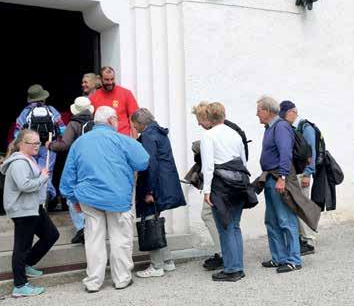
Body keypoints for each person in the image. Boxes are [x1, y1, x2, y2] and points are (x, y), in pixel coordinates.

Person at [60, 106, 149, 292]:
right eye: (116, 119)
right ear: (111, 121)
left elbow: (67, 176)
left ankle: (94, 281)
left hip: (89, 198)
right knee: (120, 239)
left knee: (93, 239)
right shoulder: (122, 140)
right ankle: (122, 279)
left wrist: (72, 198)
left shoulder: (80, 143)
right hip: (118, 197)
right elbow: (142, 161)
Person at [1, 129, 60, 297]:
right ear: (21, 144)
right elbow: (24, 185)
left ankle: (27, 264)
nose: (37, 146)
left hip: (33, 207)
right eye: (33, 143)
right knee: (21, 248)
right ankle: (20, 285)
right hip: (23, 210)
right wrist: (42, 178)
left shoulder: (28, 159)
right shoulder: (19, 162)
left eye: (38, 143)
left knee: (51, 235)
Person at [200, 102, 254, 281]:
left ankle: (232, 269)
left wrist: (206, 191)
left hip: (220, 186)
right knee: (235, 226)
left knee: (225, 227)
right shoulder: (235, 134)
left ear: (208, 117)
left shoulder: (208, 136)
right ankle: (238, 266)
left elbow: (208, 166)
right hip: (239, 183)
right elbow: (243, 161)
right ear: (224, 115)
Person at [130, 108, 187, 278]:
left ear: (142, 123)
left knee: (149, 222)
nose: (135, 129)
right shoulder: (159, 132)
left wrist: (149, 191)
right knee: (155, 222)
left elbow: (150, 164)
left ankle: (156, 266)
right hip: (164, 184)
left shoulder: (148, 135)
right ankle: (167, 261)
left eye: (135, 126)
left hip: (154, 186)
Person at [256, 96, 302, 273]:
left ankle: (294, 260)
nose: (256, 114)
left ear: (267, 111)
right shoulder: (270, 128)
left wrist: (282, 178)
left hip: (278, 178)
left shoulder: (280, 126)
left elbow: (285, 153)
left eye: (259, 110)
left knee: (286, 219)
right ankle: (279, 257)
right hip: (269, 178)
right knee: (272, 220)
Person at [47, 96, 95, 244]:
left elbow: (64, 145)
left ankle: (82, 229)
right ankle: (92, 227)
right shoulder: (97, 123)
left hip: (79, 164)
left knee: (71, 197)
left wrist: (51, 145)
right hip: (95, 164)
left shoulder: (74, 124)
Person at [14, 84, 66, 201]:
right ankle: (48, 193)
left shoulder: (26, 111)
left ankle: (35, 197)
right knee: (47, 171)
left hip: (30, 146)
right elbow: (63, 129)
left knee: (32, 172)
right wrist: (60, 142)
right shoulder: (51, 110)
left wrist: (19, 146)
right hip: (48, 146)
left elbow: (17, 131)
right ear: (43, 98)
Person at [279, 100, 317, 255]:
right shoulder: (292, 128)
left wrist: (308, 173)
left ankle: (310, 242)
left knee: (303, 208)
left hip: (303, 175)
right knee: (297, 208)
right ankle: (303, 239)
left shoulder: (305, 128)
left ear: (292, 112)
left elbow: (311, 152)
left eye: (287, 113)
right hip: (296, 175)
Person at [89, 66, 139, 137]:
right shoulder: (94, 97)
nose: (110, 82)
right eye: (107, 80)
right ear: (100, 79)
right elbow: (90, 121)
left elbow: (134, 119)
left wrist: (135, 140)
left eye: (112, 79)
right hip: (103, 138)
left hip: (123, 137)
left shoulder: (126, 93)